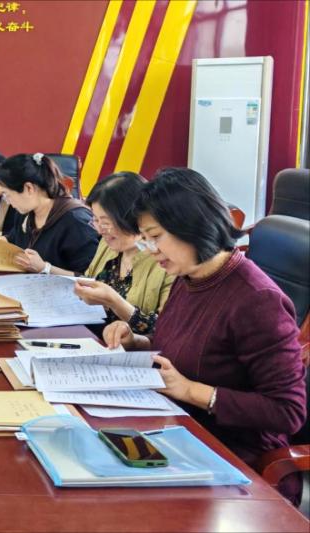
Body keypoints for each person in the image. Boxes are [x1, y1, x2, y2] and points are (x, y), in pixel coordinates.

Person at [104, 168, 306, 490]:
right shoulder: (190, 275)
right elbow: (185, 347)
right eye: (146, 239)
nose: (151, 250)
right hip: (176, 430)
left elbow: (288, 411)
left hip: (235, 459)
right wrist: (136, 342)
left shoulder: (258, 300)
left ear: (191, 225)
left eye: (156, 237)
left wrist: (190, 391)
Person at [72, 172, 174, 334]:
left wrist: (114, 302)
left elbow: (165, 330)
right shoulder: (107, 244)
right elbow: (88, 279)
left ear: (132, 218)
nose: (99, 230)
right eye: (96, 220)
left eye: (106, 222)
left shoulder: (168, 260)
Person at [0, 152, 99, 274]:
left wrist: (45, 268)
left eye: (7, 195)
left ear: (29, 188)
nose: (8, 201)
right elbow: (13, 239)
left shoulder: (75, 221)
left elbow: (91, 277)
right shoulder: (25, 212)